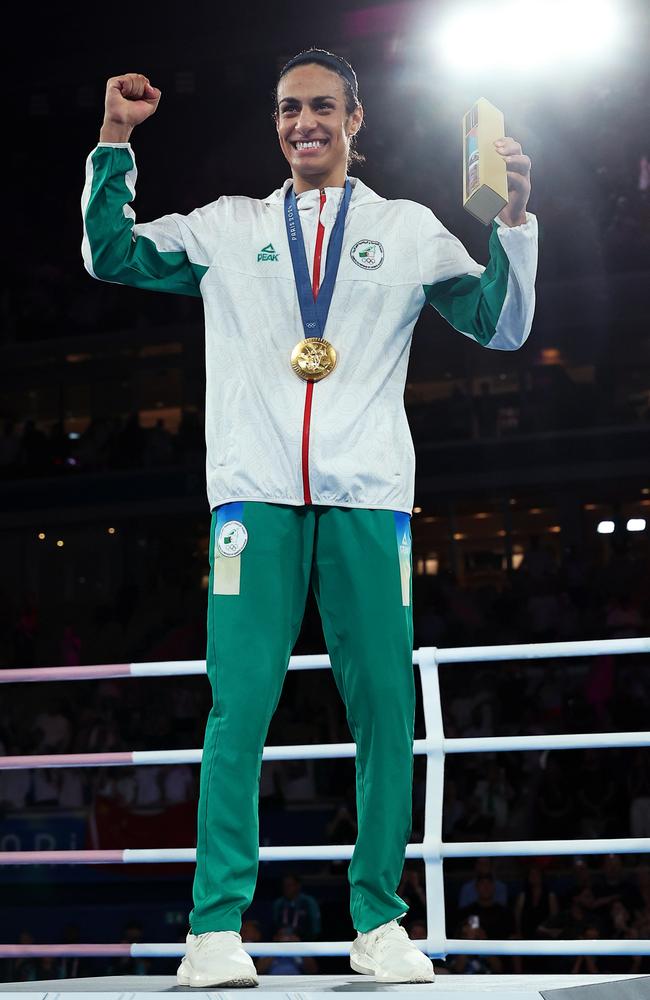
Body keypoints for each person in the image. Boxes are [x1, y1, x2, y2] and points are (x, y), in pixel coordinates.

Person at [81, 48, 536, 988]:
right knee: (236, 710)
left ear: (356, 120)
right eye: (290, 110)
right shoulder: (226, 228)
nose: (305, 124)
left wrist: (517, 224)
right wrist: (115, 141)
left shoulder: (410, 231)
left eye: (323, 107)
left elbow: (500, 324)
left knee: (384, 712)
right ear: (276, 123)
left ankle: (380, 923)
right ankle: (213, 931)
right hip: (252, 498)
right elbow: (111, 253)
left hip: (368, 500)